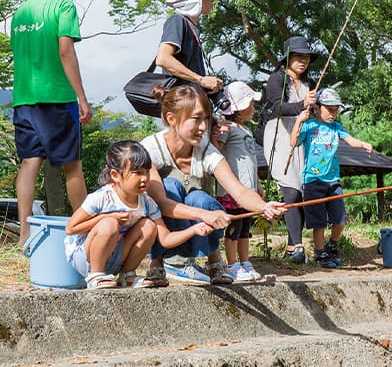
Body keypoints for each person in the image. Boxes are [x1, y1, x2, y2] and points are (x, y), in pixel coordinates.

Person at [141, 84, 285, 285]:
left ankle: (214, 262)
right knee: (170, 186)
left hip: (196, 228)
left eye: (206, 119)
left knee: (200, 198)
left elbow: (239, 191)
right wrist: (205, 215)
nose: (202, 127)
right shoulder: (150, 148)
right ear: (171, 119)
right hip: (164, 228)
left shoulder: (206, 150)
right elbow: (162, 203)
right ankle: (157, 265)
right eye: (196, 119)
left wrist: (264, 206)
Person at [64, 141, 214, 289]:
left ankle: (128, 275)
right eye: (137, 173)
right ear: (116, 175)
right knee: (109, 224)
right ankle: (95, 275)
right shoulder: (102, 197)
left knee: (149, 226)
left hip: (116, 258)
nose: (145, 178)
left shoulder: (147, 203)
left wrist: (194, 229)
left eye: (147, 172)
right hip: (86, 258)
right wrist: (104, 217)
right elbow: (71, 228)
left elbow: (166, 239)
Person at [10, 0, 94, 246]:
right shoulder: (63, 7)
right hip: (57, 98)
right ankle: (85, 232)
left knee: (29, 164)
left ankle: (25, 236)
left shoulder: (20, 12)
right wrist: (81, 97)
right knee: (73, 166)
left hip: (24, 98)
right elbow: (65, 51)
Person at [290, 88, 372, 268]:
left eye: (336, 110)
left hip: (332, 180)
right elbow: (293, 142)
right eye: (330, 109)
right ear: (318, 108)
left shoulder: (336, 127)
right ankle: (320, 254)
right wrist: (299, 122)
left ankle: (332, 245)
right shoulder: (310, 126)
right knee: (318, 221)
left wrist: (363, 144)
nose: (333, 114)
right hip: (312, 181)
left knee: (339, 218)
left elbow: (350, 140)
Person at [263, 36, 319, 263]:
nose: (302, 61)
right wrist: (302, 105)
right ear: (287, 59)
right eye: (297, 56)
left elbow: (313, 110)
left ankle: (290, 246)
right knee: (291, 190)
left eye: (305, 57)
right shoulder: (277, 79)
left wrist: (314, 108)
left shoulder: (309, 83)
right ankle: (298, 247)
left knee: (302, 190)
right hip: (279, 135)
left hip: (302, 138)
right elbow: (277, 107)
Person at [211, 82, 263, 281]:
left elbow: (251, 161)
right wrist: (216, 135)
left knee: (245, 229)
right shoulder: (227, 128)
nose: (253, 107)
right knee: (234, 227)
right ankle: (232, 263)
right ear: (239, 108)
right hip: (233, 190)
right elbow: (216, 150)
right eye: (251, 103)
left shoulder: (245, 130)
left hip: (249, 191)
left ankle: (245, 261)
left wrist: (257, 186)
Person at [156, 0, 223, 96]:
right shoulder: (177, 20)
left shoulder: (190, 26)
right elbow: (163, 59)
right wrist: (201, 80)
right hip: (182, 105)